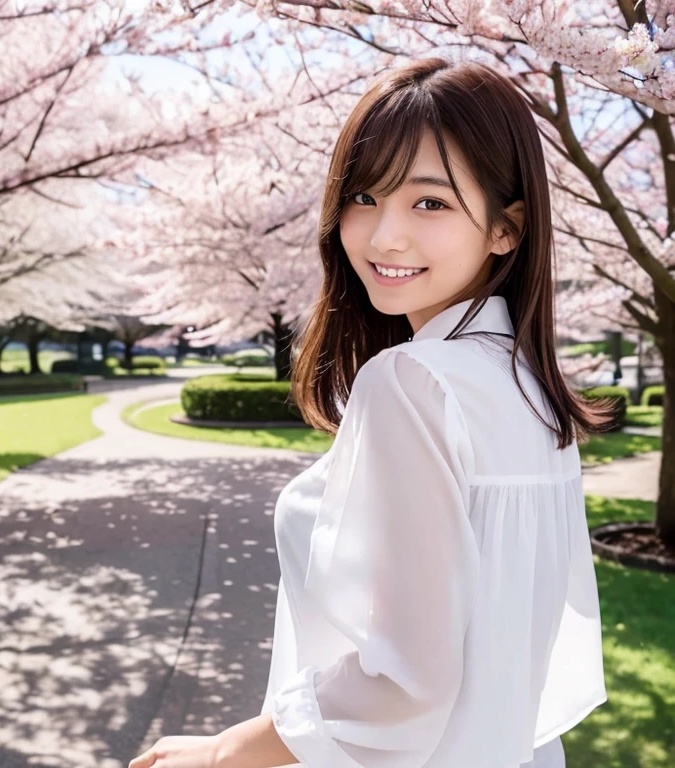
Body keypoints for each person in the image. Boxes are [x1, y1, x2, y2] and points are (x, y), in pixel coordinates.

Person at [256, 56, 615, 768]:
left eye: (429, 203)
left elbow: (404, 683)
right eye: (363, 196)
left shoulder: (413, 381)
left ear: (505, 229)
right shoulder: (527, 388)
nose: (384, 236)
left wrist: (226, 752)